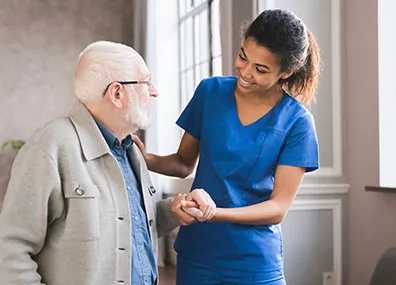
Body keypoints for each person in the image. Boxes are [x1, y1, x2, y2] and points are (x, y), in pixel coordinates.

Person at [0, 41, 214, 285]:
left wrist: (175, 209)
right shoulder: (50, 147)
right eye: (146, 83)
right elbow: (10, 250)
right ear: (117, 93)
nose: (154, 92)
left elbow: (129, 224)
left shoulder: (130, 150)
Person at [134, 9, 321, 285]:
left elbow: (278, 207)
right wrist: (144, 158)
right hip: (197, 254)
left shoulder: (298, 122)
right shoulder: (210, 92)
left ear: (286, 73)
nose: (245, 73)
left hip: (254, 261)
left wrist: (213, 213)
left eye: (260, 69)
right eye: (243, 56)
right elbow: (184, 163)